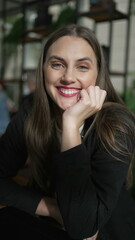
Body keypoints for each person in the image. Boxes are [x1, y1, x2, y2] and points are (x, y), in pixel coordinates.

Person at [0, 24, 135, 240]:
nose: (68, 77)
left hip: (109, 231)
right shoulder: (32, 109)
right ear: (43, 68)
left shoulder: (117, 123)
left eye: (82, 67)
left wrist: (71, 125)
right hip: (48, 223)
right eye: (57, 64)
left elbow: (83, 227)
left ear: (97, 73)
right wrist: (52, 209)